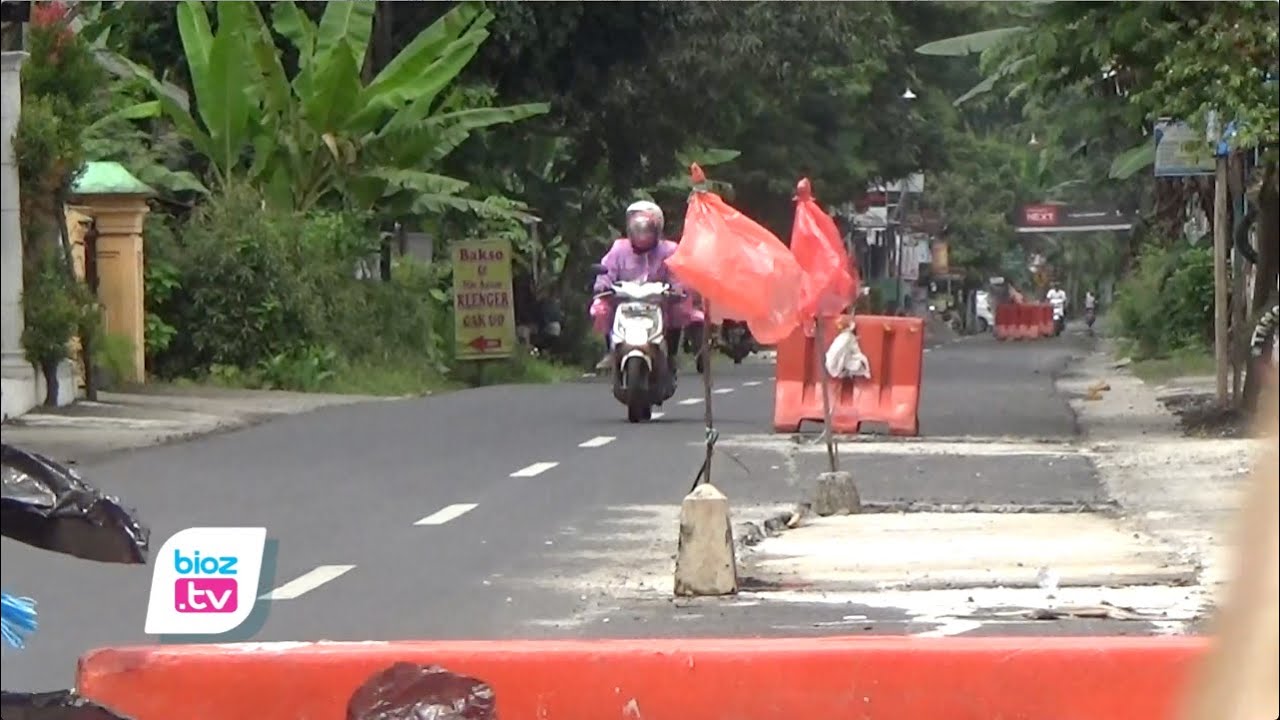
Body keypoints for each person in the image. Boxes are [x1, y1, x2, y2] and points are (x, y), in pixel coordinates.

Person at [591, 200, 698, 371]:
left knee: (681, 309)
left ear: (657, 229)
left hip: (660, 300)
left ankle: (671, 353)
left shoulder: (669, 250)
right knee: (600, 308)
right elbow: (607, 270)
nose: (642, 235)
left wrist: (678, 288)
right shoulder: (619, 248)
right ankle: (610, 350)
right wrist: (602, 287)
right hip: (624, 299)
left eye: (647, 230)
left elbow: (678, 272)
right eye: (638, 230)